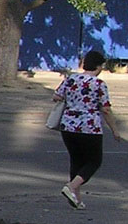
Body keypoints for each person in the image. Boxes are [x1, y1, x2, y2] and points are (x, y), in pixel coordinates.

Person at [52, 50, 122, 209]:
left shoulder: (71, 79)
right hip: (89, 127)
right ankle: (71, 187)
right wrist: (115, 131)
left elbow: (56, 97)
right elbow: (106, 110)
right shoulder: (99, 84)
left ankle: (76, 198)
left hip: (68, 125)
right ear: (98, 66)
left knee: (76, 160)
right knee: (94, 161)